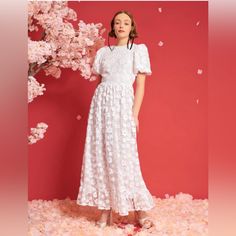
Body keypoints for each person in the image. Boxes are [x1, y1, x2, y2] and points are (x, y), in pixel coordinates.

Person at [77, 10, 155, 229]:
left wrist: (134, 115)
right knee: (101, 155)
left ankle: (140, 211)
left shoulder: (137, 51)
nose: (121, 25)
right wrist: (100, 108)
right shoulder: (103, 52)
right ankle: (105, 209)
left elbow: (140, 86)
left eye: (126, 22)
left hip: (122, 107)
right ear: (113, 26)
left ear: (132, 27)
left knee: (124, 156)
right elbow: (100, 82)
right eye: (118, 22)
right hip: (101, 106)